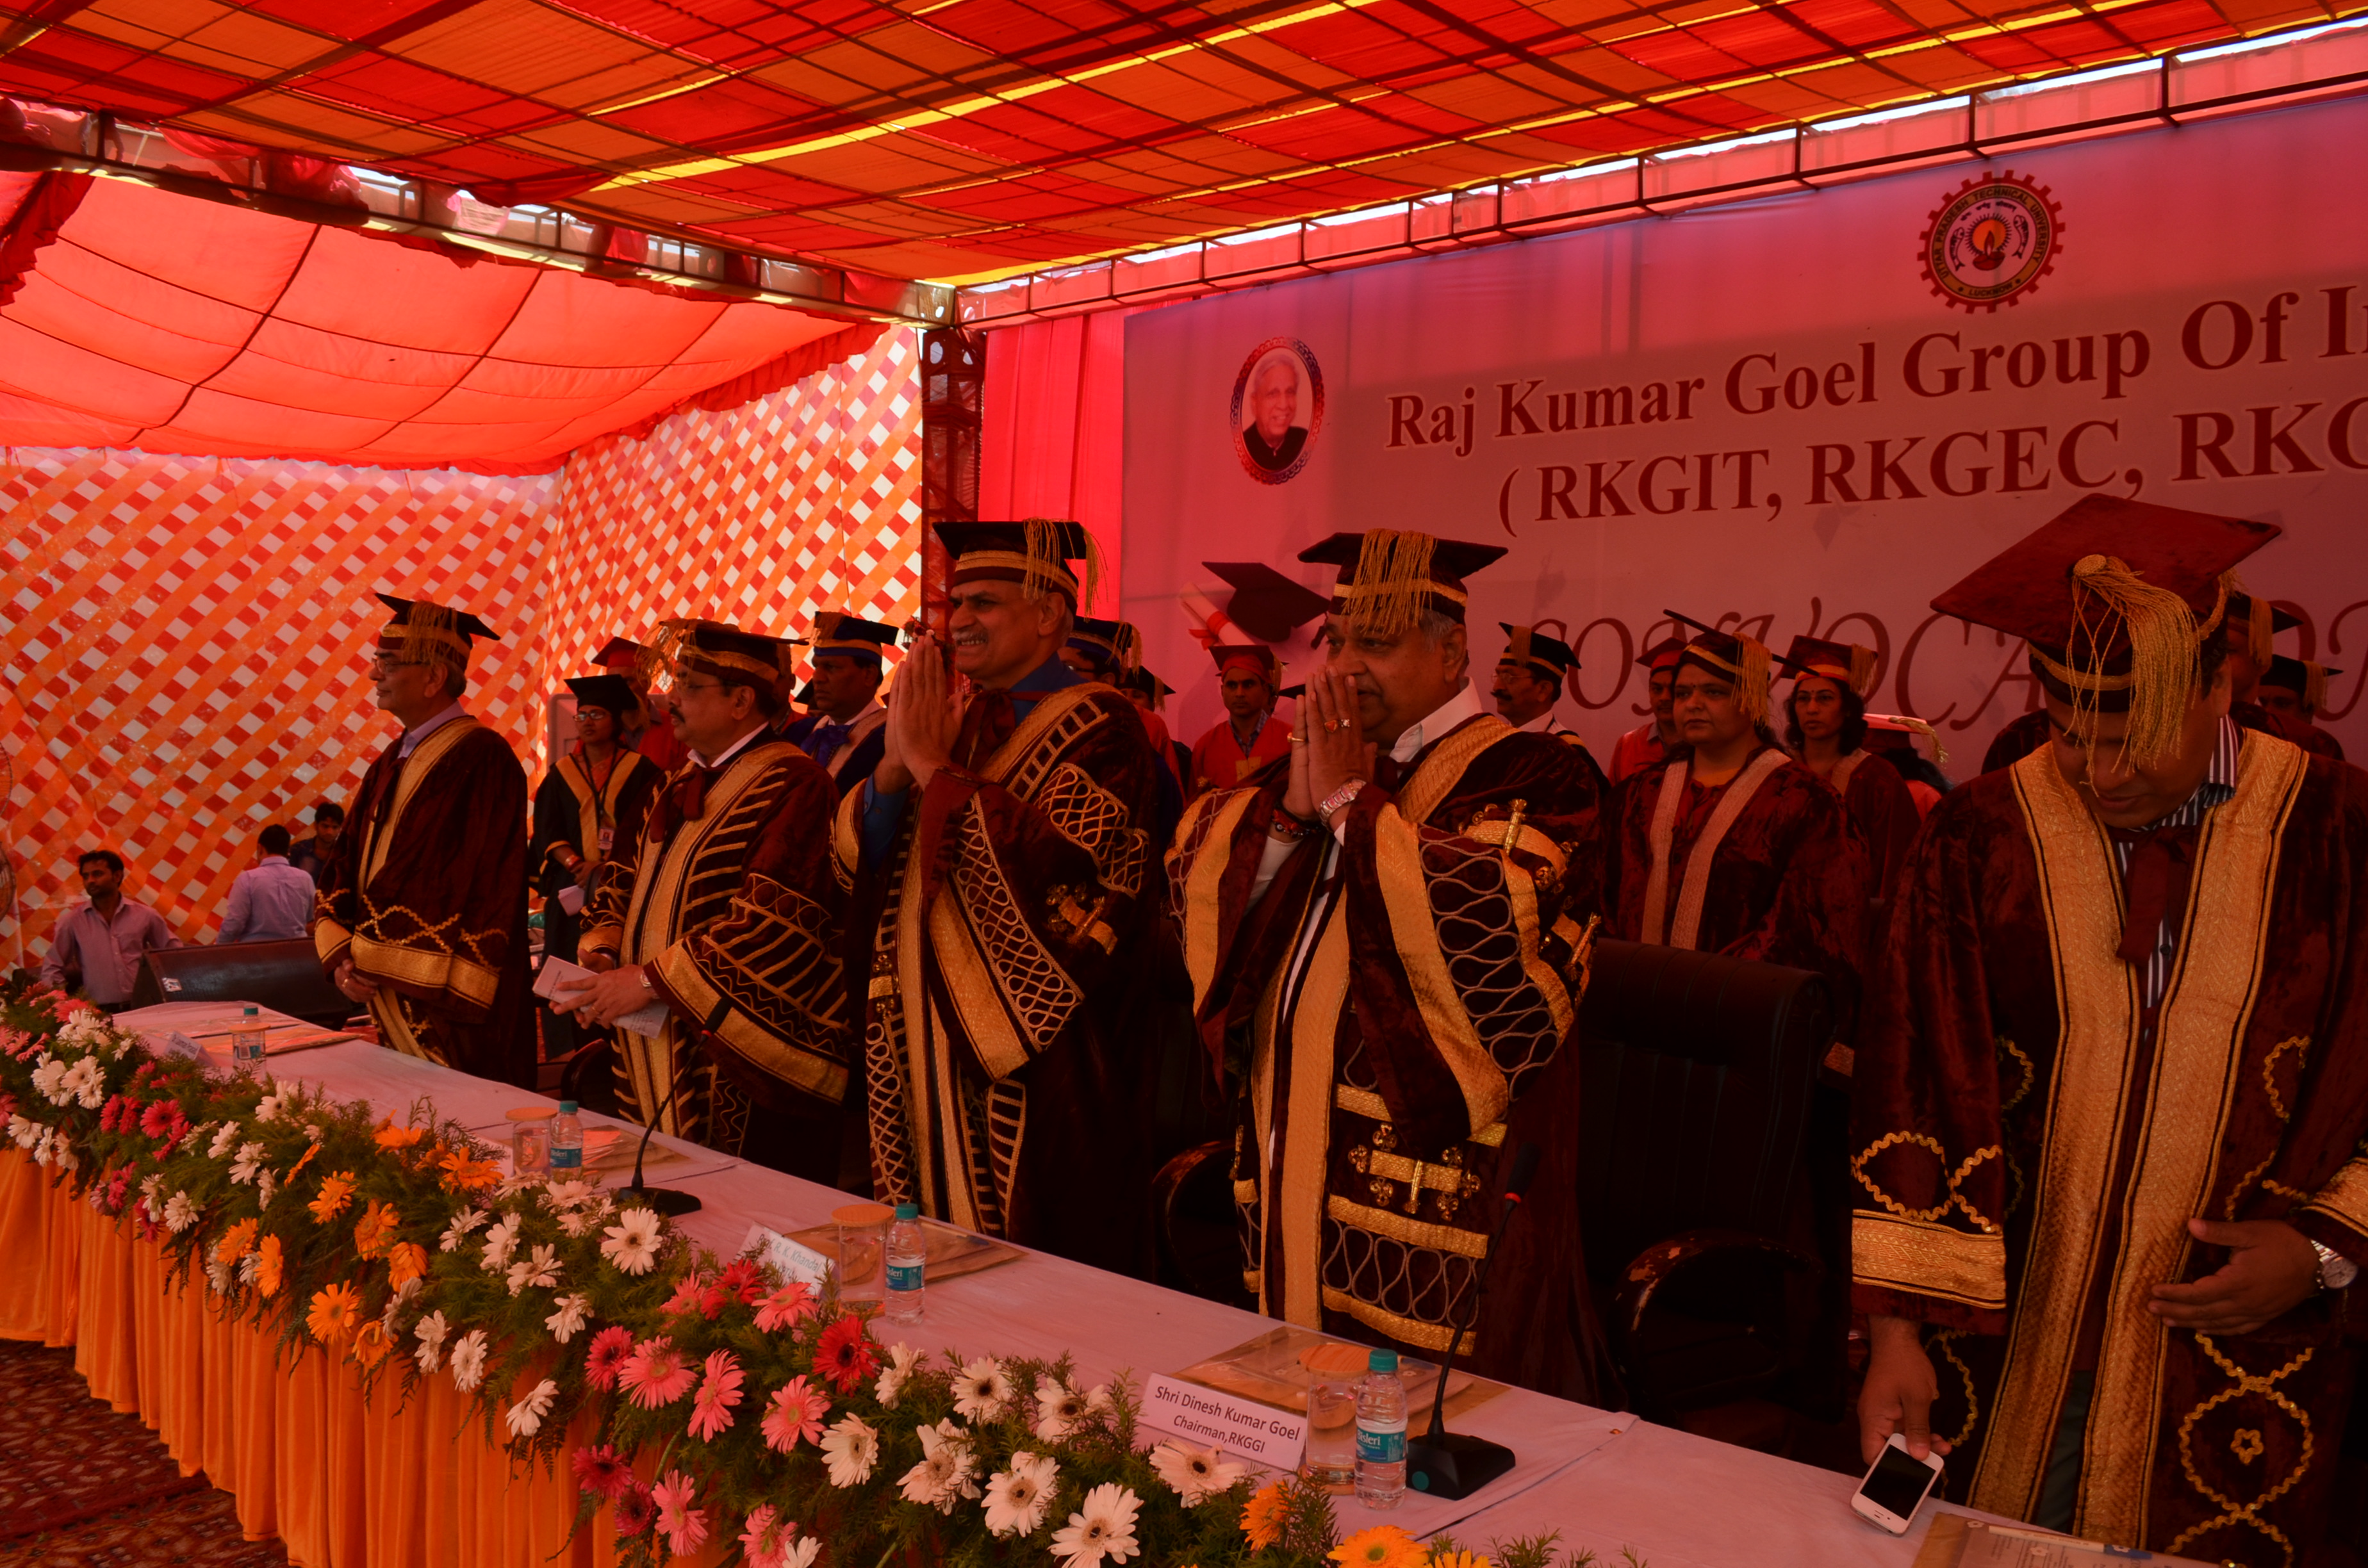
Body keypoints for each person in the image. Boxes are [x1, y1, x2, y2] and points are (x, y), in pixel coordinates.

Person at [1850, 495, 2368, 1556]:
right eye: (2070, 735)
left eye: (2132, 738)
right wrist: (1894, 1328)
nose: (2099, 772)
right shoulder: (1983, 833)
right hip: (2003, 1339)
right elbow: (1912, 1082)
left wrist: (2326, 1248)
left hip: (2239, 1353)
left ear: (2220, 685)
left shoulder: (2343, 833)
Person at [1165, 528, 1615, 1401]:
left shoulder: (1537, 772)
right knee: (1295, 1416)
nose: (1344, 667)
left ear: (1450, 654)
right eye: (1336, 641)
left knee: (1437, 1445)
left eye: (1375, 642)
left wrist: (1349, 805)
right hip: (1297, 1160)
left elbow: (1491, 933)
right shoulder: (1322, 763)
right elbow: (1199, 878)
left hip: (1444, 1190)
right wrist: (1292, 814)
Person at [843, 519, 1167, 1273]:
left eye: (983, 603)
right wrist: (893, 771)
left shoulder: (1103, 723)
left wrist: (932, 766)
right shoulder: (952, 717)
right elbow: (865, 864)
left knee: (1033, 1273)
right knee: (918, 1250)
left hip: (1041, 1058)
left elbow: (1059, 866)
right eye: (955, 603)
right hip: (917, 1029)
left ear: (1049, 614)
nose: (958, 620)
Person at [561, 623, 853, 1179]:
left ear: (741, 701)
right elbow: (620, 880)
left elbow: (773, 923)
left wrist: (648, 981)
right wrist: (601, 953)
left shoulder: (796, 784)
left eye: (690, 687)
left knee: (740, 1213)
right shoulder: (670, 784)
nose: (671, 699)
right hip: (652, 1037)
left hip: (741, 1060)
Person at [314, 594, 534, 1087]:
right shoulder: (390, 760)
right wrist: (341, 954)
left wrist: (367, 955)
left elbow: (448, 878)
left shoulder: (483, 758)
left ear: (433, 677)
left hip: (447, 1006)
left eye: (388, 664)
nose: (374, 675)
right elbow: (345, 858)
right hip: (386, 987)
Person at [1607, 625, 1868, 1027]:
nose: (1693, 704)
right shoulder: (1639, 794)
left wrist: (1708, 988)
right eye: (1683, 693)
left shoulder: (1807, 801)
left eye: (1713, 692)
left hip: (1739, 1020)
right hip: (1631, 1014)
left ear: (1752, 701)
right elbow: (1606, 900)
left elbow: (1807, 927)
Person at [530, 674, 662, 1059]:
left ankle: (618, 1050)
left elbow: (650, 828)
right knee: (565, 961)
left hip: (623, 889)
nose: (587, 722)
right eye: (582, 715)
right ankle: (567, 1051)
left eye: (597, 714)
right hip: (571, 889)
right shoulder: (560, 774)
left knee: (615, 961)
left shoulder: (643, 771)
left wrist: (605, 866)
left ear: (617, 720)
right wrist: (576, 863)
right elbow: (547, 830)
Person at [1782, 635, 1921, 920]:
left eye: (1825, 698)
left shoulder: (1877, 778)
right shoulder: (1777, 770)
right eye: (1803, 699)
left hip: (1851, 918)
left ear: (1847, 709)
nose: (1812, 709)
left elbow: (1898, 865)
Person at [40, 849, 178, 1009]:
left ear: (117, 876)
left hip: (145, 1006)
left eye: (97, 874)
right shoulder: (72, 921)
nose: (91, 881)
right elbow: (52, 966)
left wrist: (174, 993)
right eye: (86, 876)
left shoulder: (146, 915)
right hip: (99, 1011)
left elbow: (173, 954)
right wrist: (61, 1004)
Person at [780, 611, 896, 794]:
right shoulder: (798, 733)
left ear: (869, 675)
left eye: (831, 667)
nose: (817, 678)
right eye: (816, 666)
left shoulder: (893, 740)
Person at [1493, 621, 1609, 787]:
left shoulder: (1568, 755)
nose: (1497, 687)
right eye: (1498, 676)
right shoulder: (1494, 743)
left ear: (1543, 690)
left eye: (1510, 677)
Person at [1188, 644, 1293, 796]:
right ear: (1222, 691)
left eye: (1248, 684)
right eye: (1232, 685)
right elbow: (1195, 803)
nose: (1239, 693)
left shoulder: (1290, 739)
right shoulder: (1205, 746)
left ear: (1265, 690)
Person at [599, 633, 690, 774]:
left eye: (628, 681)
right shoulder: (599, 729)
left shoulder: (675, 727)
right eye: (612, 683)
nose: (619, 689)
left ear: (646, 683)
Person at [216, 824, 315, 943]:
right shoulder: (305, 879)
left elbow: (234, 923)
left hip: (256, 952)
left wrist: (219, 946)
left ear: (260, 848)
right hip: (297, 951)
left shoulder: (247, 879)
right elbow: (310, 918)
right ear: (287, 851)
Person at [1609, 636, 1685, 783]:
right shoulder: (1629, 744)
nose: (1665, 697)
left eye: (1674, 689)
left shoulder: (1704, 744)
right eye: (1657, 689)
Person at [2257, 655, 2346, 760]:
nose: (2268, 711)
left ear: (2308, 712)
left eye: (2283, 704)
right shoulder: (2248, 743)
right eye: (2263, 703)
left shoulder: (2322, 748)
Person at [1241, 354, 1308, 473]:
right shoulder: (1243, 446)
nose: (1284, 405)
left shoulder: (1304, 441)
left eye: (1290, 392)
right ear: (1255, 403)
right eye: (1273, 394)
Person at [286, 801, 343, 881]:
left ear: (340, 828)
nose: (330, 832)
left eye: (335, 827)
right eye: (325, 826)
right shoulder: (297, 851)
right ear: (316, 825)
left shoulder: (344, 855)